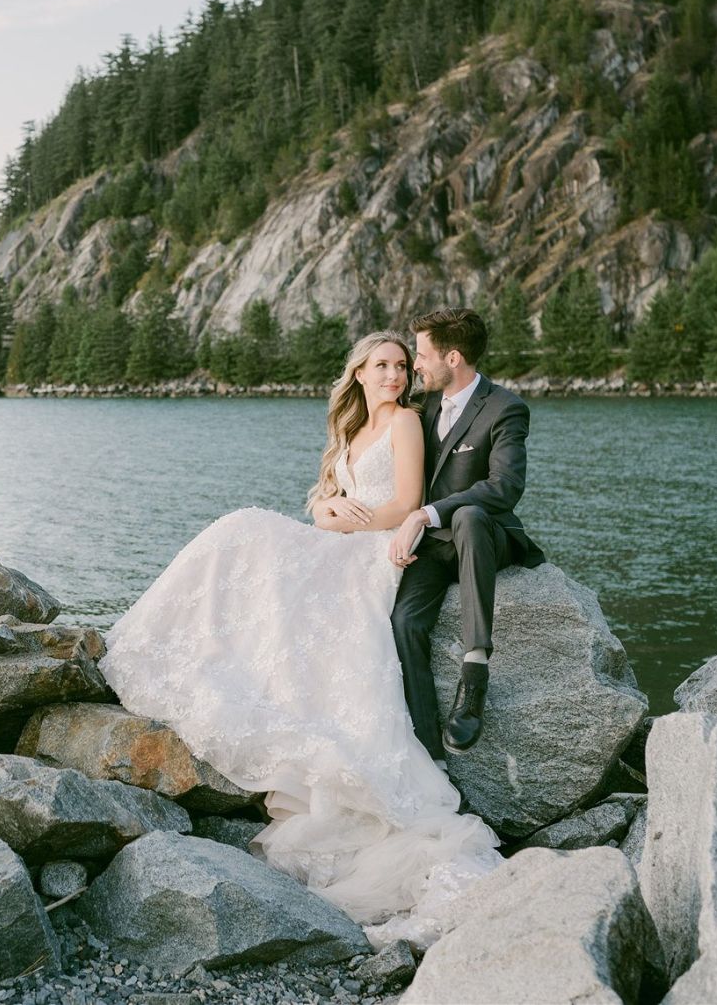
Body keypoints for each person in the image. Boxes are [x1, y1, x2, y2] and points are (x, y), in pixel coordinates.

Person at [98, 329, 502, 947]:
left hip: (372, 551)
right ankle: (189, 643)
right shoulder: (351, 430)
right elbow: (323, 500)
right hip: (339, 535)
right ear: (359, 374)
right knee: (240, 532)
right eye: (382, 366)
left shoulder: (407, 425)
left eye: (401, 365)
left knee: (254, 539)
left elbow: (408, 503)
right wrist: (326, 515)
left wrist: (350, 524)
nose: (394, 375)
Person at [387, 308, 546, 761]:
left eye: (420, 355)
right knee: (404, 622)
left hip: (485, 539)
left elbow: (504, 487)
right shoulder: (423, 405)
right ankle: (427, 748)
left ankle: (474, 674)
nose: (415, 364)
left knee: (471, 515)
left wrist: (426, 513)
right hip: (436, 548)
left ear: (452, 357)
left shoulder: (505, 408)